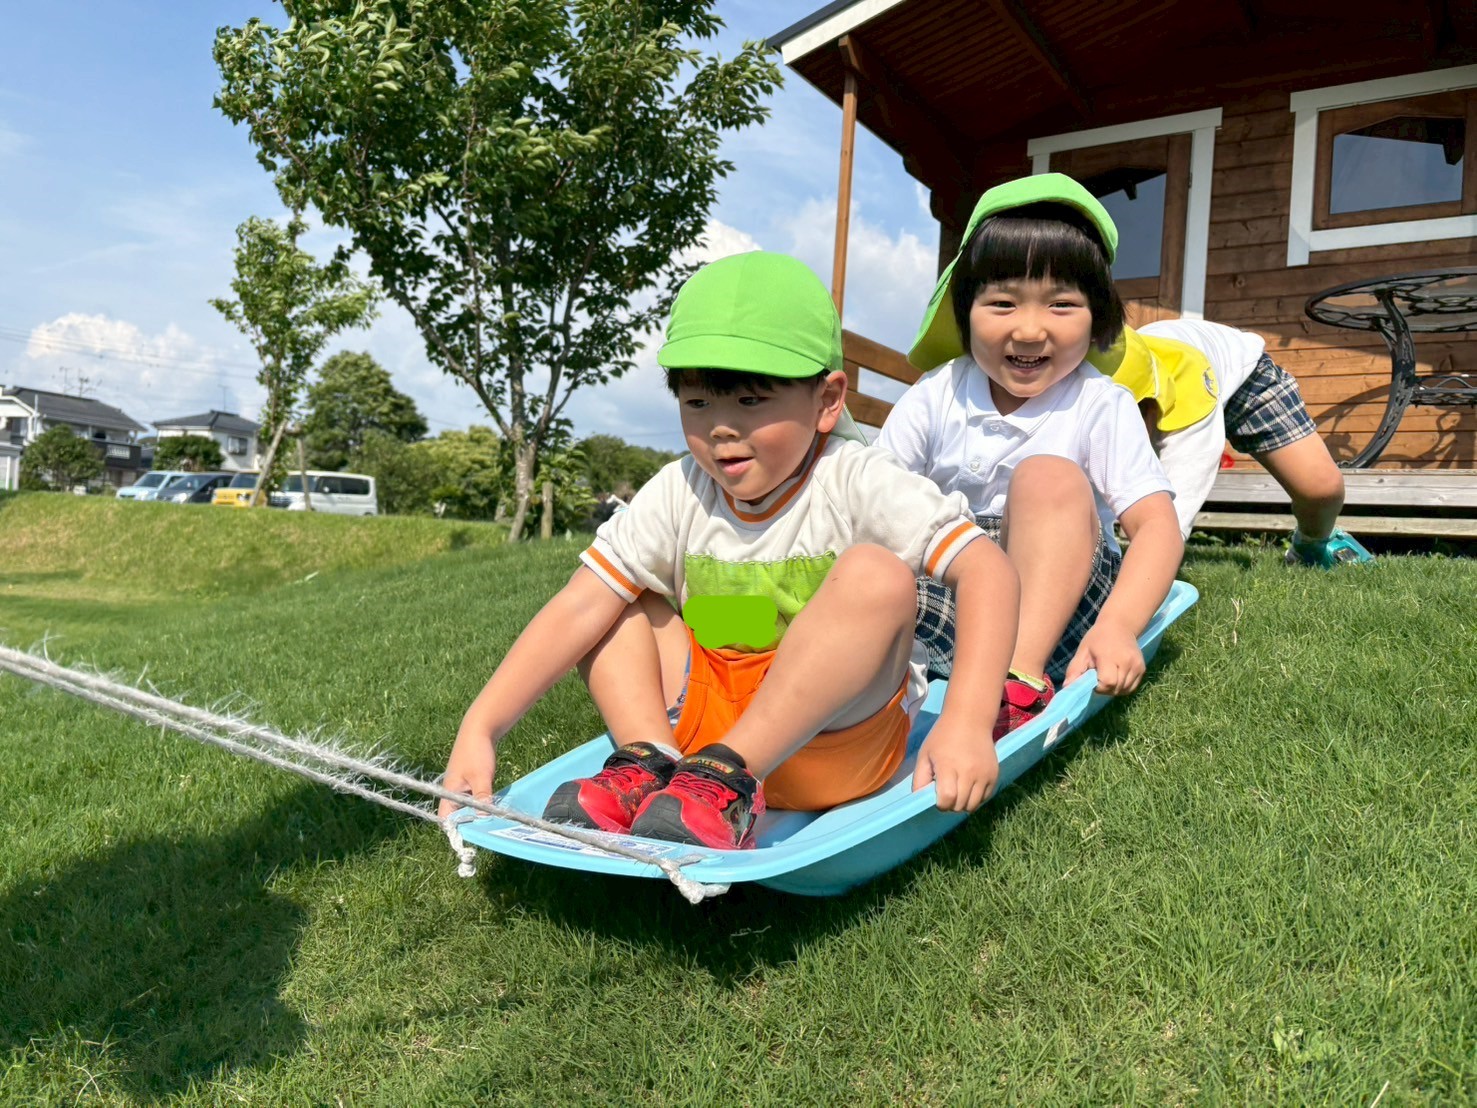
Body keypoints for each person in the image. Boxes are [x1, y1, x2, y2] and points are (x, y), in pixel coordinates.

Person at [439, 251, 1021, 850]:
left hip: (836, 748)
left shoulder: (857, 479)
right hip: (701, 741)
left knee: (876, 576)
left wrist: (967, 721)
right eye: (698, 403)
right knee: (613, 595)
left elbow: (988, 570)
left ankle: (730, 776)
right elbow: (578, 606)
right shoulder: (679, 487)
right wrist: (481, 727)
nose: (721, 428)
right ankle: (649, 762)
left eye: (749, 401)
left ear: (826, 401)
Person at [878, 173, 1184, 740]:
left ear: (1097, 318)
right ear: (965, 310)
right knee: (870, 557)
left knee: (1046, 477)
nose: (1028, 330)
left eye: (1061, 304)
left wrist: (1118, 626)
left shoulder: (1098, 402)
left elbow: (1157, 527)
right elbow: (873, 500)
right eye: (1002, 303)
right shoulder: (937, 393)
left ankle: (1015, 684)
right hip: (954, 609)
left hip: (1065, 615)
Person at [1085, 319, 1375, 567]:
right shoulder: (1086, 398)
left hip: (1244, 377)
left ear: (1149, 406)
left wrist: (1136, 580)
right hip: (1164, 381)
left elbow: (1169, 521)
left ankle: (1311, 546)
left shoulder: (1190, 406)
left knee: (1322, 488)